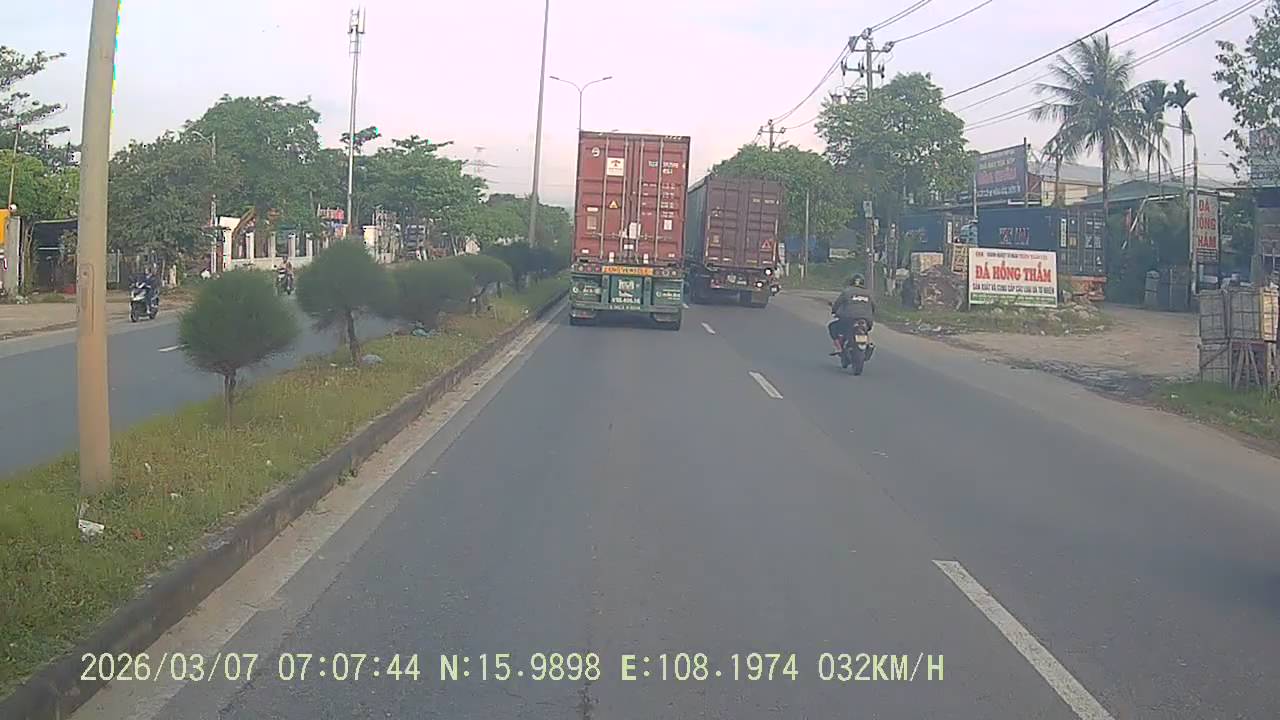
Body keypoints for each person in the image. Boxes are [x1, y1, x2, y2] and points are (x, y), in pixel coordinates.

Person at [829, 274, 875, 352]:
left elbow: (838, 303)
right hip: (866, 320)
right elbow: (873, 307)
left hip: (849, 318)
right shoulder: (868, 294)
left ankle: (838, 348)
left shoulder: (847, 291)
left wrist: (834, 310)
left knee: (832, 327)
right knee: (864, 330)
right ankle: (867, 343)